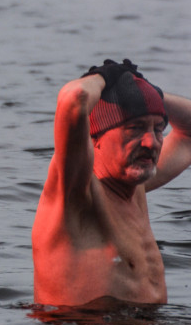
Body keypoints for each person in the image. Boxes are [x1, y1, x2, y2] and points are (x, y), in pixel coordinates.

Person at [33, 59, 191, 306]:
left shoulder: (133, 187)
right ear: (95, 139)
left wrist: (144, 89)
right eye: (135, 128)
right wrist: (106, 77)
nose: (152, 143)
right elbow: (73, 99)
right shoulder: (74, 194)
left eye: (158, 129)